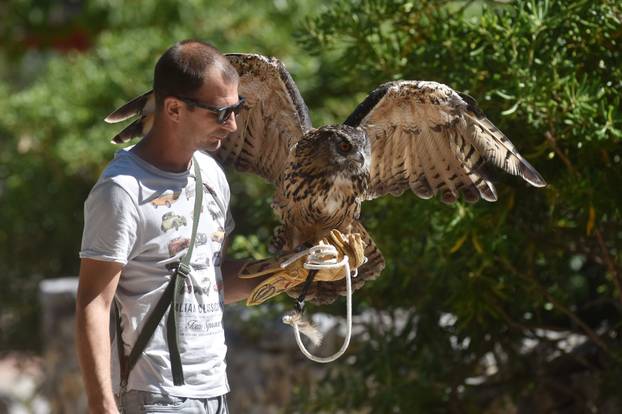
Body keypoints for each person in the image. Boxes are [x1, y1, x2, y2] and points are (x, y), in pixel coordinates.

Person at [75, 40, 261, 414]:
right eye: (221, 113)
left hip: (216, 393)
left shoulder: (211, 176)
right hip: (156, 397)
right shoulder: (122, 191)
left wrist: (293, 272)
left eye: (236, 109)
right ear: (174, 108)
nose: (234, 124)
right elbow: (93, 303)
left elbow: (209, 281)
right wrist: (101, 404)